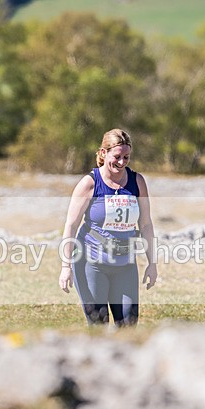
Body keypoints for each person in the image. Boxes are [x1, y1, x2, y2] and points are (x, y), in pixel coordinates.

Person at [58, 128, 157, 326]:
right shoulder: (89, 183)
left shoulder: (137, 182)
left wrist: (152, 263)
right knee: (99, 324)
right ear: (103, 153)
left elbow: (146, 224)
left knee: (129, 323)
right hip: (91, 263)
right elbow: (71, 225)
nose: (121, 162)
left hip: (125, 264)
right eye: (117, 156)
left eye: (126, 157)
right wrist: (65, 266)